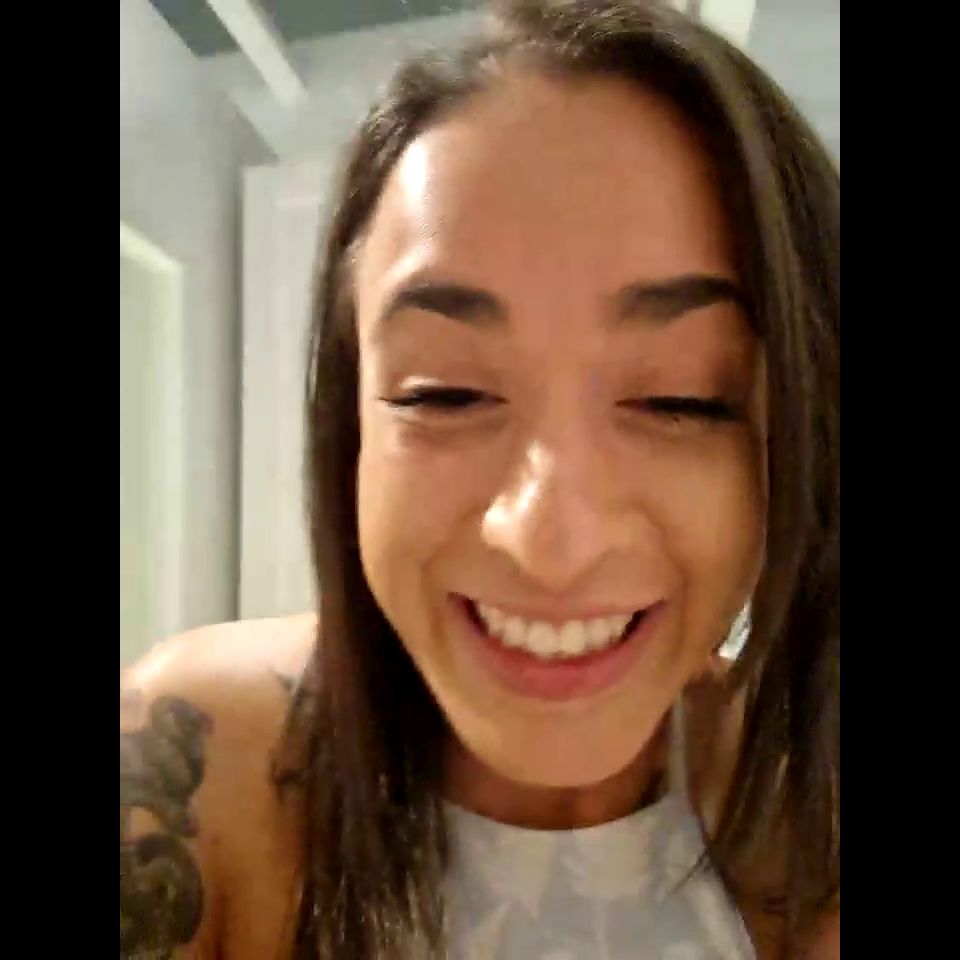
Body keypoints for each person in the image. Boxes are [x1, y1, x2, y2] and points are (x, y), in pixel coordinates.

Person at [119, 1, 840, 957]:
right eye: (445, 392)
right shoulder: (198, 764)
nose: (550, 539)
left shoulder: (808, 814)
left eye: (682, 398)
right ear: (351, 428)